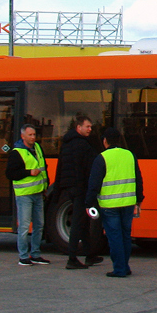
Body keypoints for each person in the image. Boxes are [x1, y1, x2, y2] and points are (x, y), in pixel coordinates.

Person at [85, 127, 144, 278]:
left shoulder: (102, 158)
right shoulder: (130, 155)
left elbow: (94, 183)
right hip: (128, 203)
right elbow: (138, 179)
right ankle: (125, 266)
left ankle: (119, 269)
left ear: (105, 141)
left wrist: (89, 203)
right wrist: (139, 199)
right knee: (125, 236)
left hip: (109, 205)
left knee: (114, 237)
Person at [55, 115, 103, 269]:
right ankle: (72, 258)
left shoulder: (66, 144)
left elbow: (60, 167)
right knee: (78, 223)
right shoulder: (82, 145)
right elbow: (89, 168)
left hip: (69, 188)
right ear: (78, 128)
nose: (90, 129)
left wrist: (57, 190)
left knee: (83, 221)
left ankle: (89, 255)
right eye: (87, 127)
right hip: (80, 188)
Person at [5, 123, 50, 266]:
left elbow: (44, 167)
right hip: (24, 194)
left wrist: (45, 186)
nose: (33, 138)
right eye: (30, 135)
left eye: (34, 135)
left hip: (38, 193)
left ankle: (35, 254)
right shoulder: (16, 152)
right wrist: (29, 172)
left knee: (39, 225)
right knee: (24, 226)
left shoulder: (37, 148)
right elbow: (10, 174)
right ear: (22, 136)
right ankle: (23, 256)